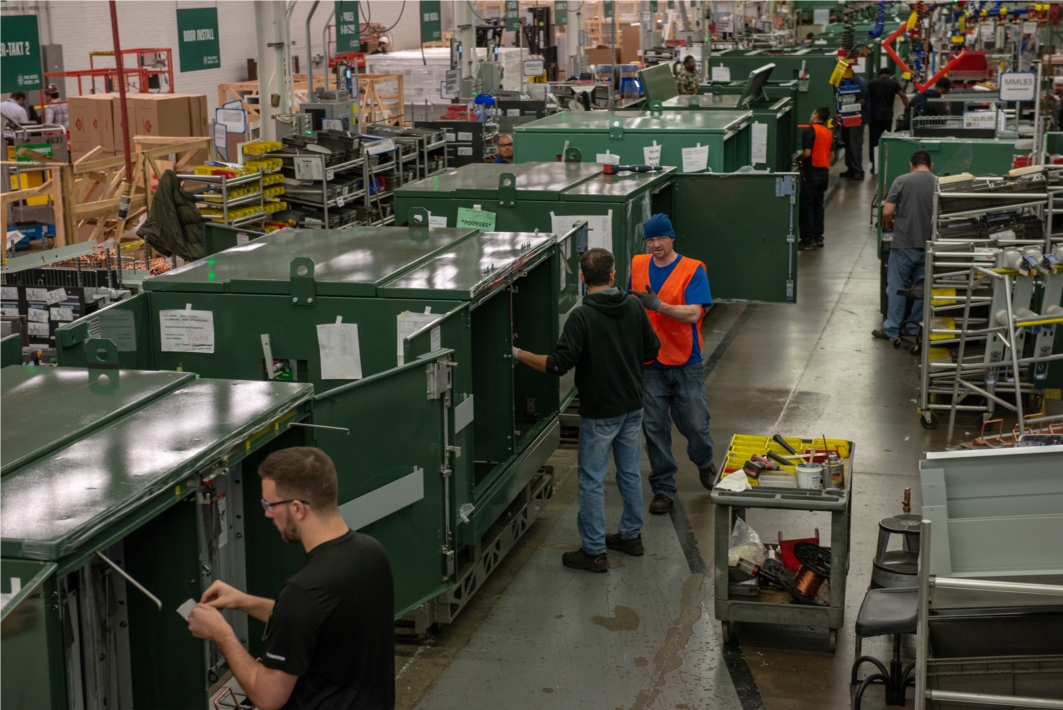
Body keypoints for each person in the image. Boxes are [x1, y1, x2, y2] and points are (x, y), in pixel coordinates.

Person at [187, 447, 395, 710]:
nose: (267, 513)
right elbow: (317, 624)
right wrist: (242, 601)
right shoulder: (372, 553)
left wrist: (221, 634)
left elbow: (268, 696)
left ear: (297, 508)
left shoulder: (303, 591)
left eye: (269, 504)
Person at [514, 248, 660, 572]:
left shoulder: (581, 316)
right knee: (630, 472)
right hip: (633, 406)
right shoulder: (635, 306)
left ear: (582, 279)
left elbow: (557, 365)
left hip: (600, 413)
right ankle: (631, 536)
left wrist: (517, 353)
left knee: (592, 480)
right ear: (612, 275)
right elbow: (652, 349)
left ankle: (594, 551)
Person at [628, 214, 716, 515]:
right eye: (650, 240)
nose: (655, 245)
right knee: (654, 428)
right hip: (650, 362)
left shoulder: (693, 270)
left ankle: (704, 462)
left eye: (660, 239)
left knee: (695, 423)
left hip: (685, 361)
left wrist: (659, 306)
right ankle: (663, 487)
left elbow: (693, 314)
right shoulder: (638, 265)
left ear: (671, 237)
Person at [873, 150, 936, 344]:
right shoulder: (938, 182)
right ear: (931, 165)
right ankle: (914, 326)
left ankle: (892, 328)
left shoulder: (901, 180)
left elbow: (888, 210)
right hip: (928, 245)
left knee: (896, 287)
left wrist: (890, 222)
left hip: (903, 245)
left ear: (911, 165)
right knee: (923, 288)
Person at [798, 106, 834, 250]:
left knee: (806, 206)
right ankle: (818, 237)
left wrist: (797, 159)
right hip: (823, 174)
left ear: (816, 115)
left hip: (811, 174)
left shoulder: (810, 131)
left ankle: (807, 239)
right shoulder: (828, 132)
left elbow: (807, 153)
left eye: (812, 113)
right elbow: (832, 155)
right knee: (818, 205)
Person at [867, 68, 909, 173]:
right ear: (889, 74)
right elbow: (903, 96)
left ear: (879, 74)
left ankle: (874, 165)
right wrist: (908, 110)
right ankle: (884, 164)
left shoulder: (871, 84)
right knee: (885, 140)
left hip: (874, 117)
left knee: (874, 141)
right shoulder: (894, 84)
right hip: (887, 117)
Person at [839, 67, 868, 180]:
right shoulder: (848, 82)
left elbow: (862, 101)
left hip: (857, 119)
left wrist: (849, 107)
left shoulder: (860, 83)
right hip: (847, 117)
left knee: (855, 144)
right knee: (849, 145)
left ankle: (858, 171)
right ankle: (850, 169)